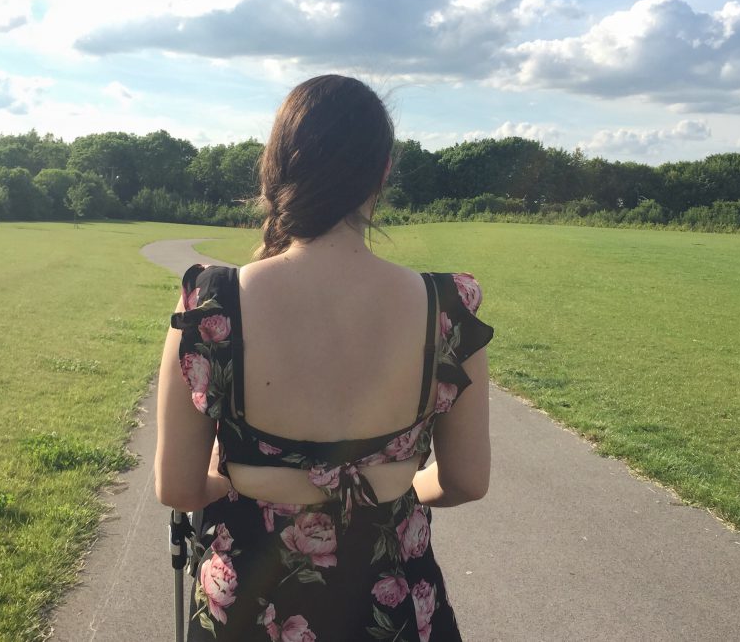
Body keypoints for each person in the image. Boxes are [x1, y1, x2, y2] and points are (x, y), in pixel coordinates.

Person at [155, 74, 494, 641]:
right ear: (383, 172)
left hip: (249, 610)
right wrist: (393, 489)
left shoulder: (213, 303)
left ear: (276, 168)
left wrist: (238, 480)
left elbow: (178, 488)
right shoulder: (448, 308)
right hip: (394, 608)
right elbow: (466, 480)